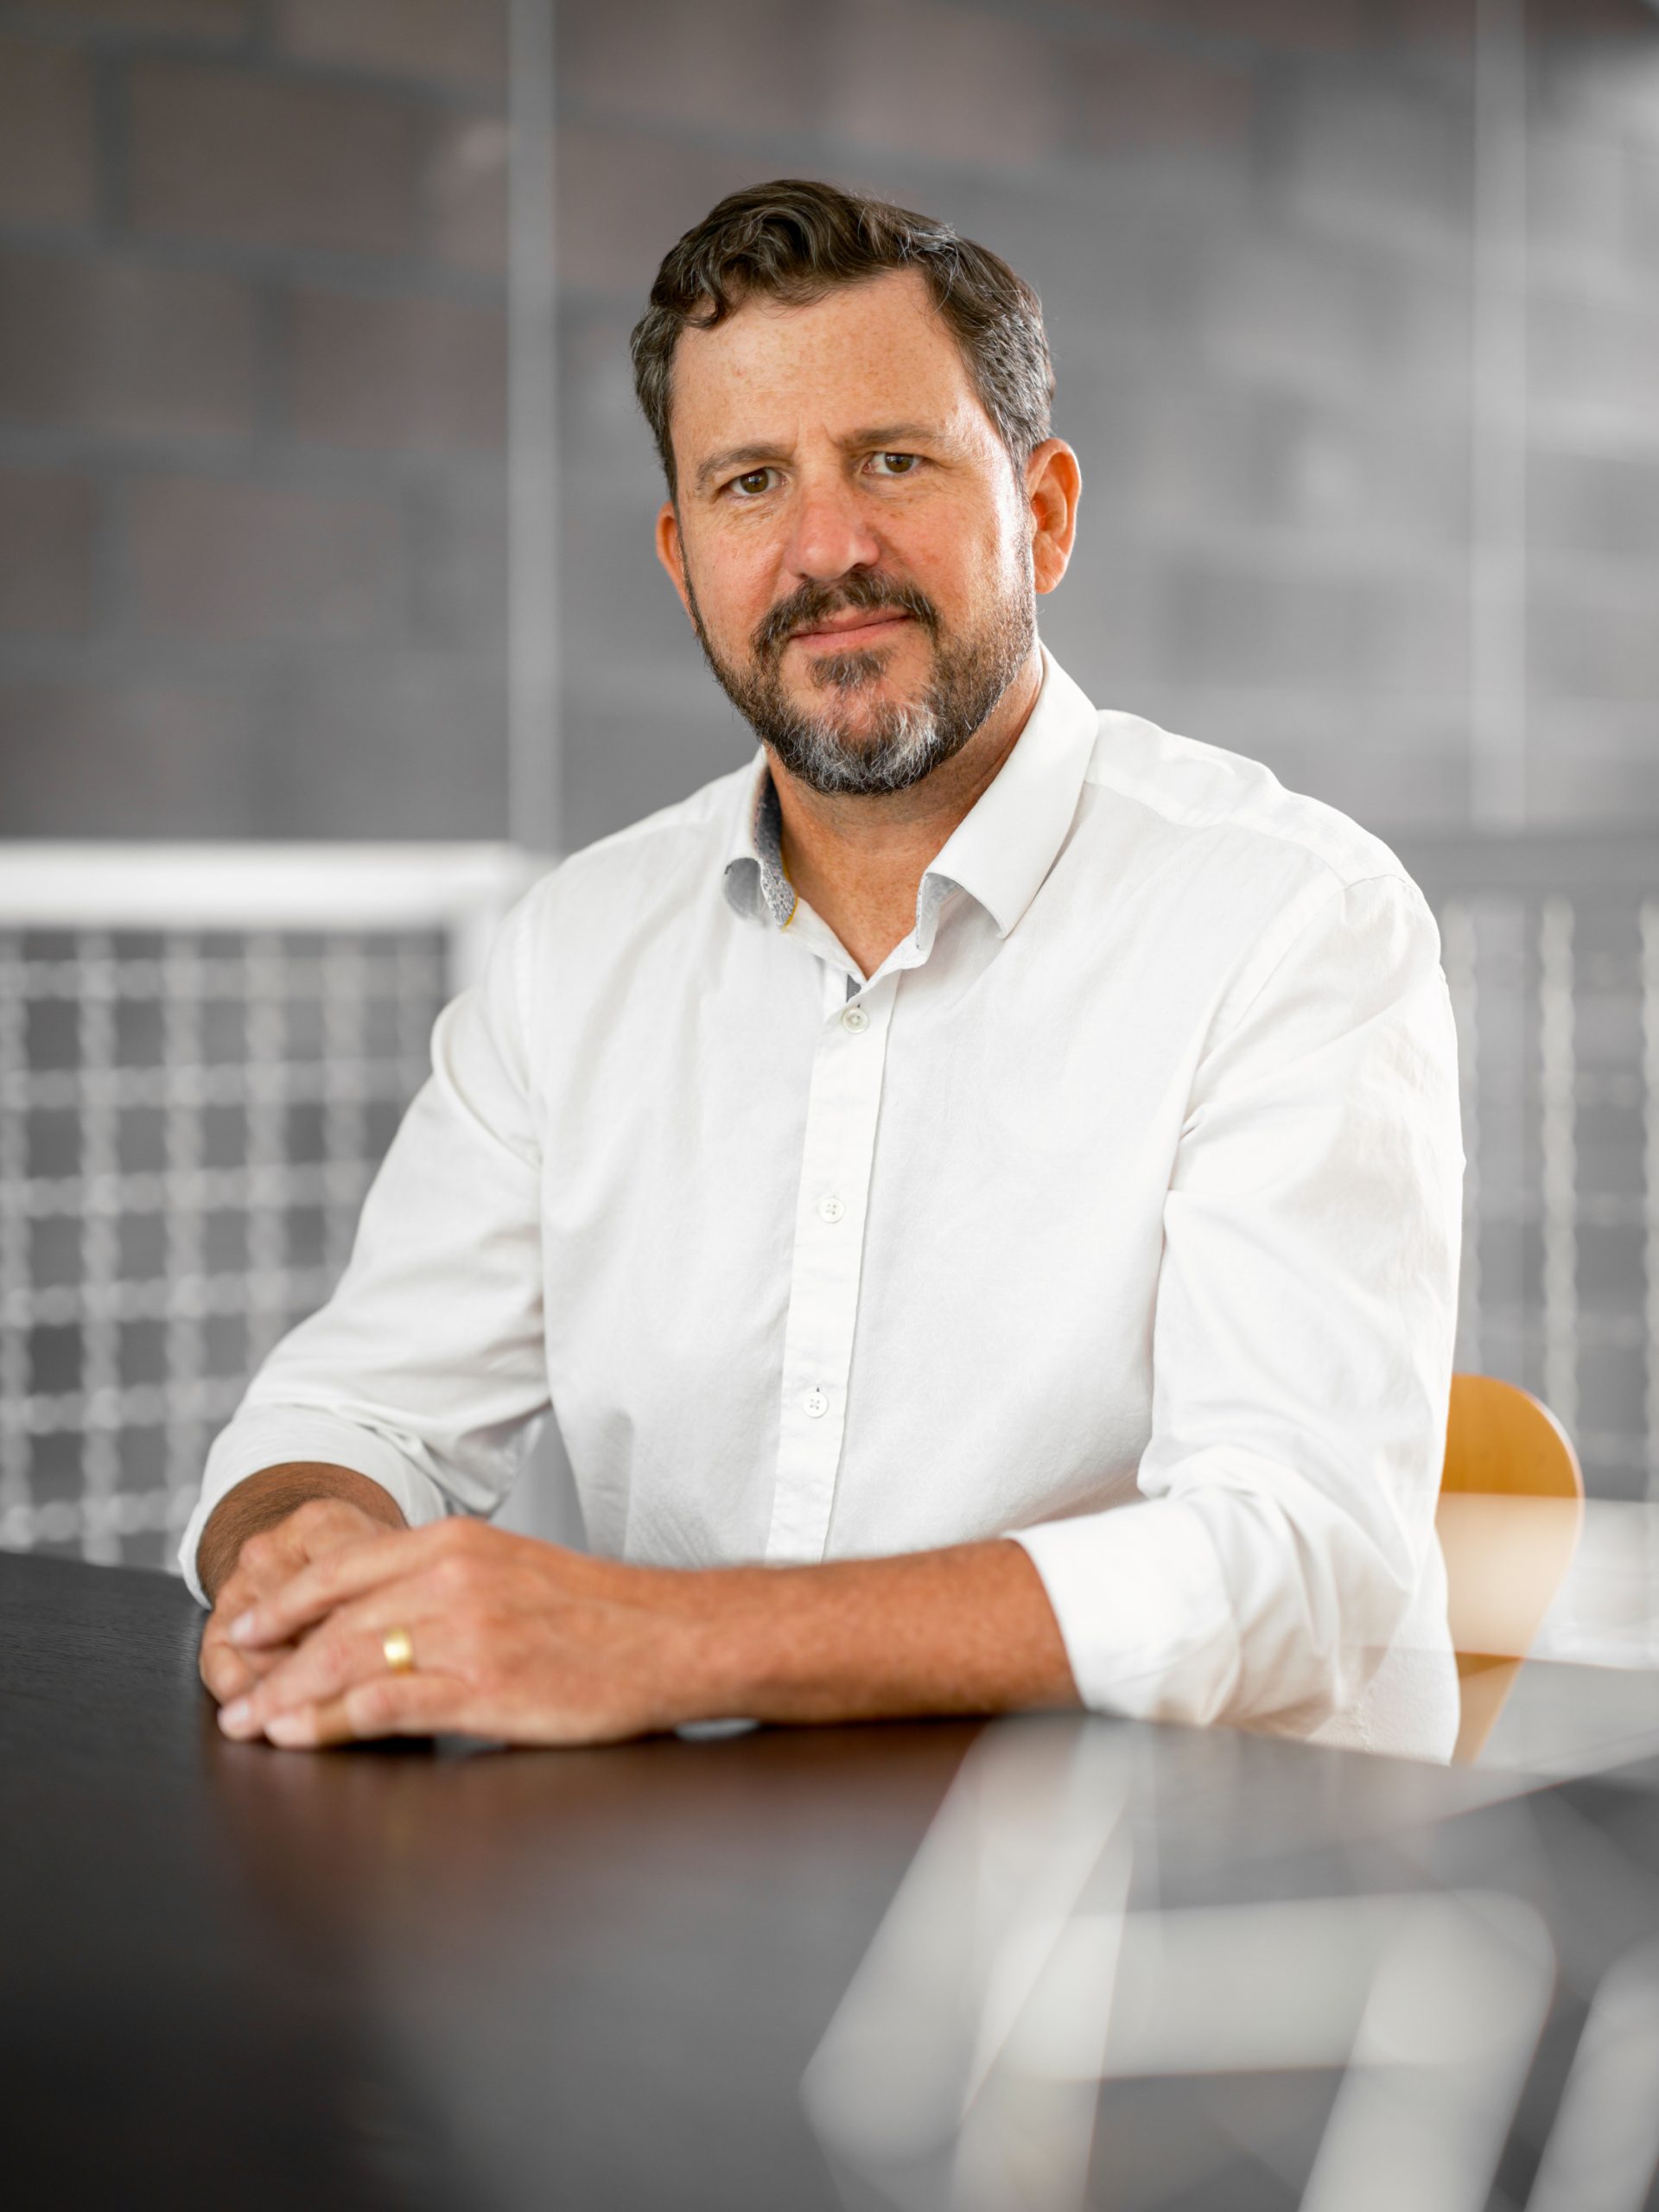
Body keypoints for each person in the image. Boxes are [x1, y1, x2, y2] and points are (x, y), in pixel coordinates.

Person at [188, 179, 1463, 1760]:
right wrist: (299, 1543)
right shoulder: (577, 959)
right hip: (694, 1904)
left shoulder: (1289, 916)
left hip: (1160, 1925)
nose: (826, 549)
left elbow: (1296, 1566)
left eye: (893, 462)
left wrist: (652, 1643)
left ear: (1045, 513)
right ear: (681, 558)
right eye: (748, 483)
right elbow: (347, 1415)